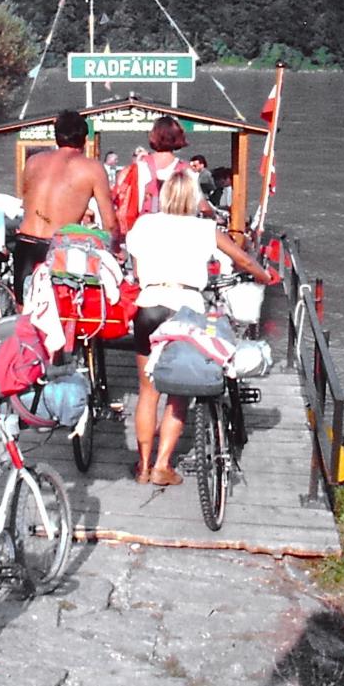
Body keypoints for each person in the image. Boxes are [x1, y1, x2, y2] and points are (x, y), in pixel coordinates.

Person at [123, 172, 277, 486]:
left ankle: (142, 466)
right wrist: (265, 276)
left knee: (148, 392)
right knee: (179, 391)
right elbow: (244, 261)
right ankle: (162, 466)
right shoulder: (205, 228)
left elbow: (137, 271)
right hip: (186, 310)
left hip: (148, 306)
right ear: (195, 198)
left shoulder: (144, 224)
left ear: (165, 195)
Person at [13, 109, 121, 299]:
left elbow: (28, 201)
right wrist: (117, 249)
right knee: (63, 308)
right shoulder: (92, 168)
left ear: (56, 136)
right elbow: (110, 223)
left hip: (25, 242)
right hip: (59, 246)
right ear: (84, 139)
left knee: (25, 310)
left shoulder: (33, 162)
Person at [114, 114, 191, 235]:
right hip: (176, 233)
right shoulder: (186, 170)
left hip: (141, 232)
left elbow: (118, 197)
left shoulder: (137, 168)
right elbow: (200, 205)